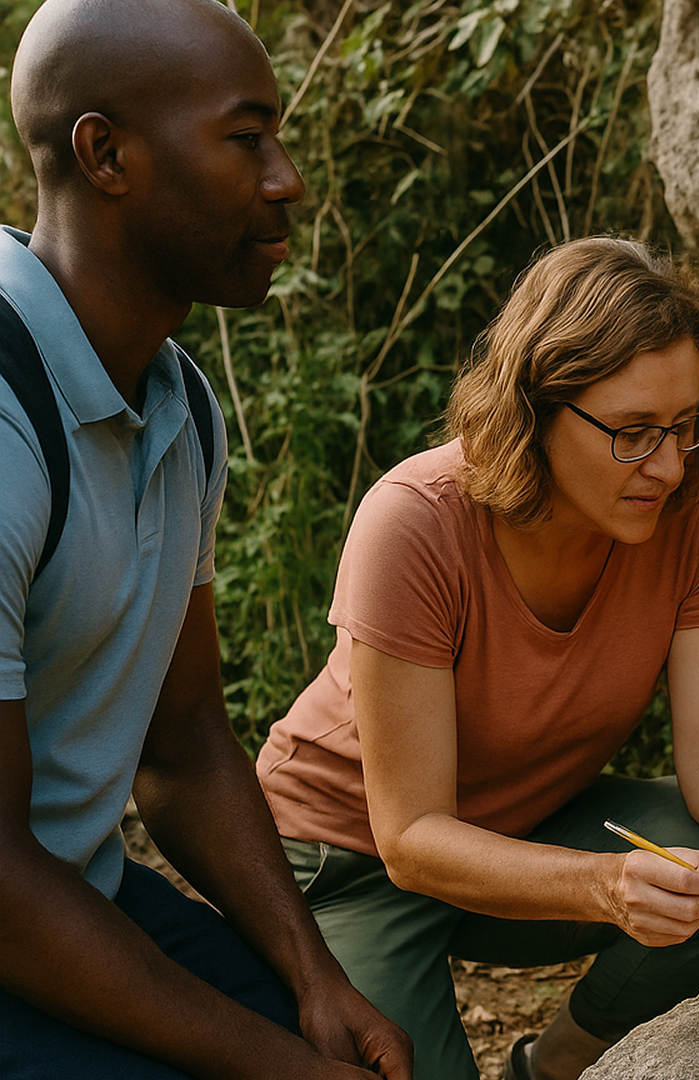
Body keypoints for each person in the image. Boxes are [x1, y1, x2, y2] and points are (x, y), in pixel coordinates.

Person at [253, 236, 699, 1080]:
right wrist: (606, 886)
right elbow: (409, 839)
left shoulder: (694, 496)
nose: (666, 463)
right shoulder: (413, 523)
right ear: (535, 409)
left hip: (522, 827)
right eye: (631, 432)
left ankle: (551, 1068)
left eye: (687, 423)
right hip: (346, 859)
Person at [0, 1, 413, 1077]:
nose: (287, 179)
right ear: (107, 155)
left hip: (65, 891)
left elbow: (182, 747)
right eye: (245, 138)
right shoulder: (5, 422)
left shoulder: (180, 403)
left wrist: (318, 982)